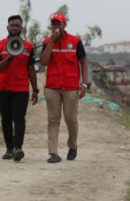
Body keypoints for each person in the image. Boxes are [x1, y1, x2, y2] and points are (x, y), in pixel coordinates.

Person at [39, 13, 88, 163]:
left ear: (64, 25)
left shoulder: (75, 42)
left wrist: (84, 84)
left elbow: (83, 63)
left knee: (70, 119)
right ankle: (53, 153)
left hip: (70, 87)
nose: (55, 26)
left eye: (58, 24)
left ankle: (72, 146)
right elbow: (44, 62)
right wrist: (51, 43)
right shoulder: (47, 42)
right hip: (52, 87)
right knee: (53, 120)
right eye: (53, 24)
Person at [0, 15, 38, 162]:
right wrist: (8, 58)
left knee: (19, 118)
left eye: (17, 25)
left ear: (21, 28)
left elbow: (31, 69)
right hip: (3, 87)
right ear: (7, 27)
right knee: (6, 118)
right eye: (12, 25)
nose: (15, 28)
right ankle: (9, 149)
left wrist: (35, 89)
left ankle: (18, 148)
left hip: (21, 88)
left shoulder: (29, 46)